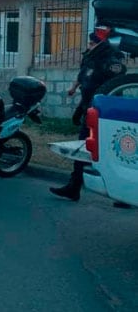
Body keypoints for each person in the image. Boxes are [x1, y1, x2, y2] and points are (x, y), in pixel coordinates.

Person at [50, 29, 126, 202]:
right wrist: (73, 89)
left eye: (93, 43)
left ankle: (122, 196)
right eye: (89, 43)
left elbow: (113, 81)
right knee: (82, 148)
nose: (89, 46)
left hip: (105, 114)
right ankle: (74, 187)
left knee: (112, 151)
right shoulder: (90, 57)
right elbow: (83, 75)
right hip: (88, 107)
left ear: (102, 44)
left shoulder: (112, 59)